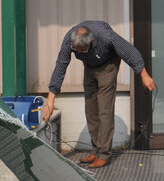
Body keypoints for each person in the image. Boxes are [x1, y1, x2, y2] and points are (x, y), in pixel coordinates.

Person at [43, 21, 155, 168]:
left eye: (82, 50)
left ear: (91, 40)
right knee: (90, 109)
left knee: (104, 110)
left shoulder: (106, 36)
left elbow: (130, 52)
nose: (79, 52)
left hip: (108, 65)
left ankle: (104, 154)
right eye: (77, 50)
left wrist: (144, 75)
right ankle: (96, 150)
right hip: (90, 65)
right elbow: (61, 65)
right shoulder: (69, 40)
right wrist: (50, 101)